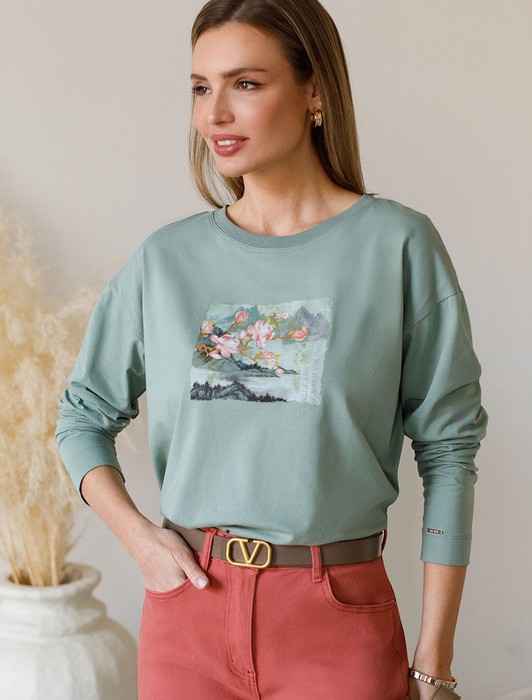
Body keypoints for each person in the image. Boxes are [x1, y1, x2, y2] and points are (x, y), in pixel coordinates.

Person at [55, 1, 488, 698]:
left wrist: (433, 661)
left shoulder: (397, 247)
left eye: (246, 84)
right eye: (201, 87)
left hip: (335, 622)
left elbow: (449, 449)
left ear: (315, 93)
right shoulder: (166, 261)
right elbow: (82, 416)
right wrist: (139, 539)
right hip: (187, 623)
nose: (215, 114)